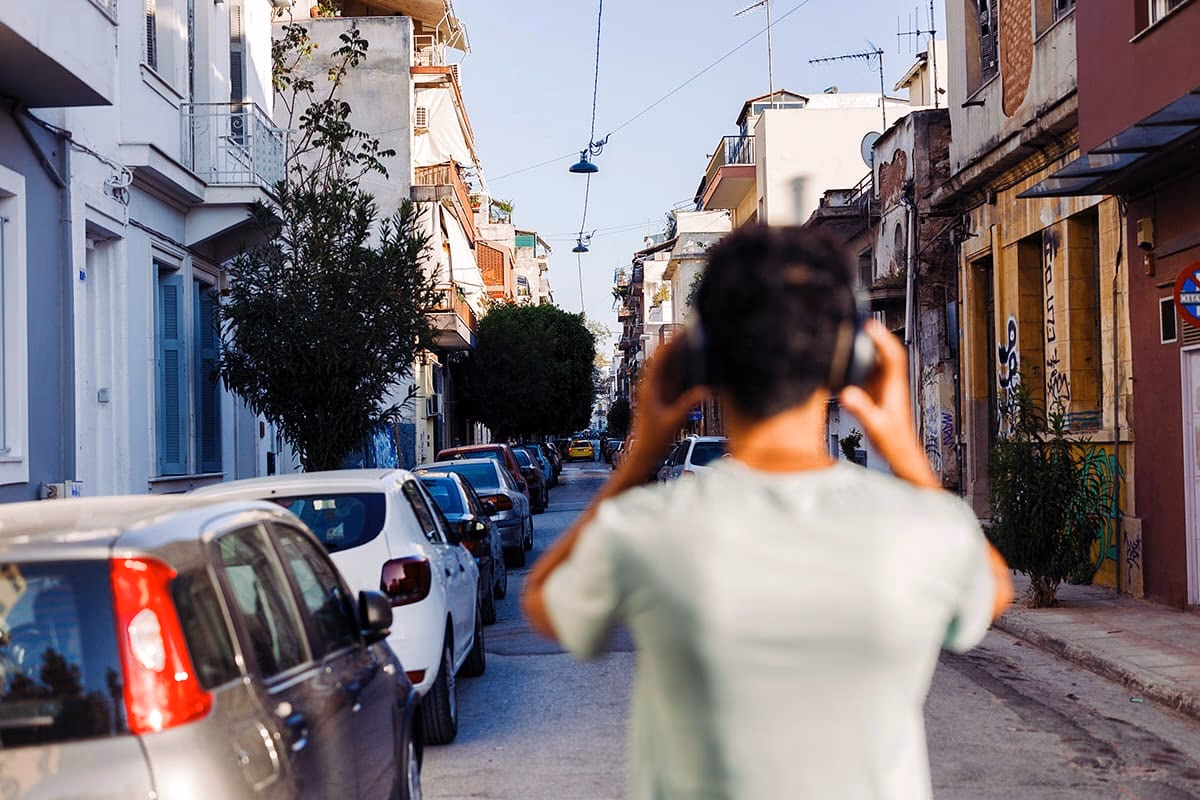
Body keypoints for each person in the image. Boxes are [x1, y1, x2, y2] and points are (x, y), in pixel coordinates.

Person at [522, 225, 1014, 800]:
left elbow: (545, 605)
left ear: (702, 362)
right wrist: (903, 445)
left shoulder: (649, 530)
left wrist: (643, 451)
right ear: (849, 359)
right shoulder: (922, 530)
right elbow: (991, 589)